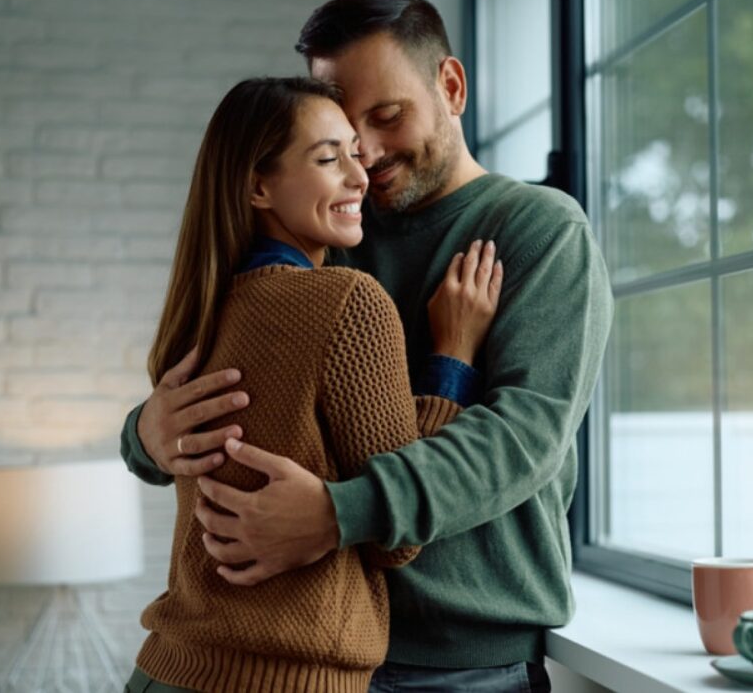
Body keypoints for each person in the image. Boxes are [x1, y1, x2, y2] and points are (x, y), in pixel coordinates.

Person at [120, 0, 614, 692]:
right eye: (345, 137)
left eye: (386, 117)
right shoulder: (330, 229)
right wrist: (146, 434)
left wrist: (337, 514)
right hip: (313, 640)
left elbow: (523, 434)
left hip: (456, 659)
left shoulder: (538, 229)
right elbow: (234, 384)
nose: (368, 157)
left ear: (449, 85)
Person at [124, 76, 503, 692]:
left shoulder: (200, 312)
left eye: (356, 151)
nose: (360, 175)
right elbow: (397, 540)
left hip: (165, 668)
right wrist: (452, 358)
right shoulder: (348, 302)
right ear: (257, 185)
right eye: (329, 158)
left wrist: (137, 433)